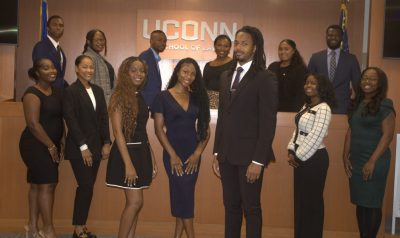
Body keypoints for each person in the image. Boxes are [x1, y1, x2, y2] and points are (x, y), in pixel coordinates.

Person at [212, 26, 278, 238]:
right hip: (226, 155)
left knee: (251, 208)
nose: (238, 48)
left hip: (250, 158)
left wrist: (258, 161)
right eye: (237, 43)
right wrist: (216, 152)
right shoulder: (225, 76)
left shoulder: (265, 77)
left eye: (244, 43)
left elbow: (268, 123)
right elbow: (223, 117)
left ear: (255, 48)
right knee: (230, 207)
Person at [152, 58, 210, 238]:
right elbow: (158, 129)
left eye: (193, 73)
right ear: (177, 71)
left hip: (192, 155)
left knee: (183, 194)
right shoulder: (162, 97)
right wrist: (172, 155)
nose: (189, 76)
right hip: (172, 154)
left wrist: (198, 153)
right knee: (184, 194)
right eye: (185, 72)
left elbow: (205, 130)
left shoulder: (198, 97)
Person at [106, 56, 158, 238]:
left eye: (142, 71)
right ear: (126, 72)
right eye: (134, 70)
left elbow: (142, 131)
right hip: (126, 154)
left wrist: (151, 157)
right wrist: (128, 165)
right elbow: (118, 132)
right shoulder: (119, 95)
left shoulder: (139, 96)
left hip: (141, 152)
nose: (139, 74)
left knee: (136, 204)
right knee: (135, 202)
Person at [342, 67, 395, 238]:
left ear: (380, 84)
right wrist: (345, 155)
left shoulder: (385, 104)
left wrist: (372, 161)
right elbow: (351, 130)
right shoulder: (357, 103)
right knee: (361, 202)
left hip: (376, 160)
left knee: (372, 203)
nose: (367, 82)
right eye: (365, 78)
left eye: (372, 79)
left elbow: (387, 136)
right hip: (356, 160)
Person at [63, 55, 111, 238]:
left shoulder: (98, 91)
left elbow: (103, 118)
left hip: (97, 147)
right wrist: (83, 147)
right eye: (84, 67)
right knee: (85, 185)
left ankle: (82, 226)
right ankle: (77, 228)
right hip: (79, 148)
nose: (89, 70)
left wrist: (107, 142)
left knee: (88, 187)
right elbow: (71, 120)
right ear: (76, 68)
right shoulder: (71, 91)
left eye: (91, 67)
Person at [19, 58, 64, 238]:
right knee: (47, 185)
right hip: (35, 145)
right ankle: (48, 229)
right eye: (46, 68)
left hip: (52, 144)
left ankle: (31, 226)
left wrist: (62, 141)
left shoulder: (57, 92)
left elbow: (60, 120)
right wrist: (51, 145)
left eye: (53, 67)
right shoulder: (31, 93)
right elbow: (33, 124)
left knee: (37, 186)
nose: (52, 70)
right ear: (37, 73)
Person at [287, 73, 336, 238]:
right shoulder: (306, 106)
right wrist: (291, 150)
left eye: (313, 83)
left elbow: (316, 136)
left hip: (315, 160)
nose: (308, 85)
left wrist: (298, 156)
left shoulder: (324, 108)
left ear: (321, 87)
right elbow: (298, 131)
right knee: (301, 202)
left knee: (312, 202)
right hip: (301, 157)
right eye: (306, 82)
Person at [308, 24, 361, 114]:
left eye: (337, 35)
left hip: (343, 107)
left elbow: (358, 85)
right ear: (326, 37)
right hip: (318, 106)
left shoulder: (351, 59)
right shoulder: (315, 58)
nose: (333, 38)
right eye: (330, 35)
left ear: (341, 38)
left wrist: (358, 107)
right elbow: (308, 83)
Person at [268, 39, 308, 112]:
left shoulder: (300, 70)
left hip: (293, 111)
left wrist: (295, 113)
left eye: (286, 49)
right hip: (273, 110)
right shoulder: (272, 67)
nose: (283, 52)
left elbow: (301, 95)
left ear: (293, 51)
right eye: (280, 49)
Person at [32, 15, 68, 89]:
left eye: (61, 25)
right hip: (46, 91)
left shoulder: (59, 49)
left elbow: (59, 75)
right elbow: (40, 72)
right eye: (55, 25)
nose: (58, 28)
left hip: (59, 93)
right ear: (48, 28)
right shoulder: (41, 46)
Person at [83, 29, 115, 103]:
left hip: (107, 101)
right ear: (88, 41)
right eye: (97, 40)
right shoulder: (87, 58)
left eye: (102, 40)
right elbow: (89, 84)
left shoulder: (99, 57)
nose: (100, 42)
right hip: (97, 103)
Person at [203, 34, 235, 109]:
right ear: (214, 46)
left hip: (226, 103)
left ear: (230, 48)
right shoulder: (208, 65)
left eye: (226, 46)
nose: (222, 49)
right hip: (208, 103)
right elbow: (203, 86)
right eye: (219, 45)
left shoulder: (234, 64)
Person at [139, 30, 167, 107]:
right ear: (151, 41)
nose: (163, 43)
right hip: (144, 103)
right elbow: (139, 80)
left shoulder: (153, 58)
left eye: (165, 41)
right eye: (159, 40)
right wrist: (145, 103)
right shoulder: (145, 57)